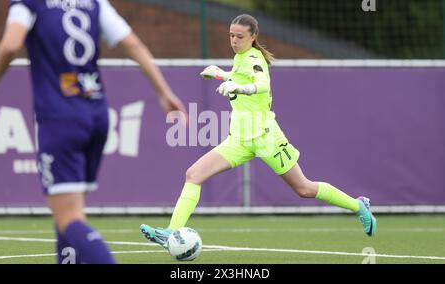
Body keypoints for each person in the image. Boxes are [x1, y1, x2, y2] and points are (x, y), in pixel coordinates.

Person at [140, 14, 376, 248]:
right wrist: (222, 74)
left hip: (266, 137)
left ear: (253, 37)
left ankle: (358, 206)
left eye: (240, 36)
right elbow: (239, 75)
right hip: (240, 140)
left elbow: (262, 85)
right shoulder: (240, 58)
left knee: (304, 188)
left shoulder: (254, 58)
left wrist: (239, 88)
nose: (234, 40)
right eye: (231, 35)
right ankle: (171, 233)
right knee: (193, 174)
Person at [0, 0, 187, 264]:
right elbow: (132, 43)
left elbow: (11, 44)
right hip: (96, 114)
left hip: (59, 117)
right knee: (69, 212)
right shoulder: (94, 3)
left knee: (68, 218)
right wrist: (164, 92)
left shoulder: (30, 2)